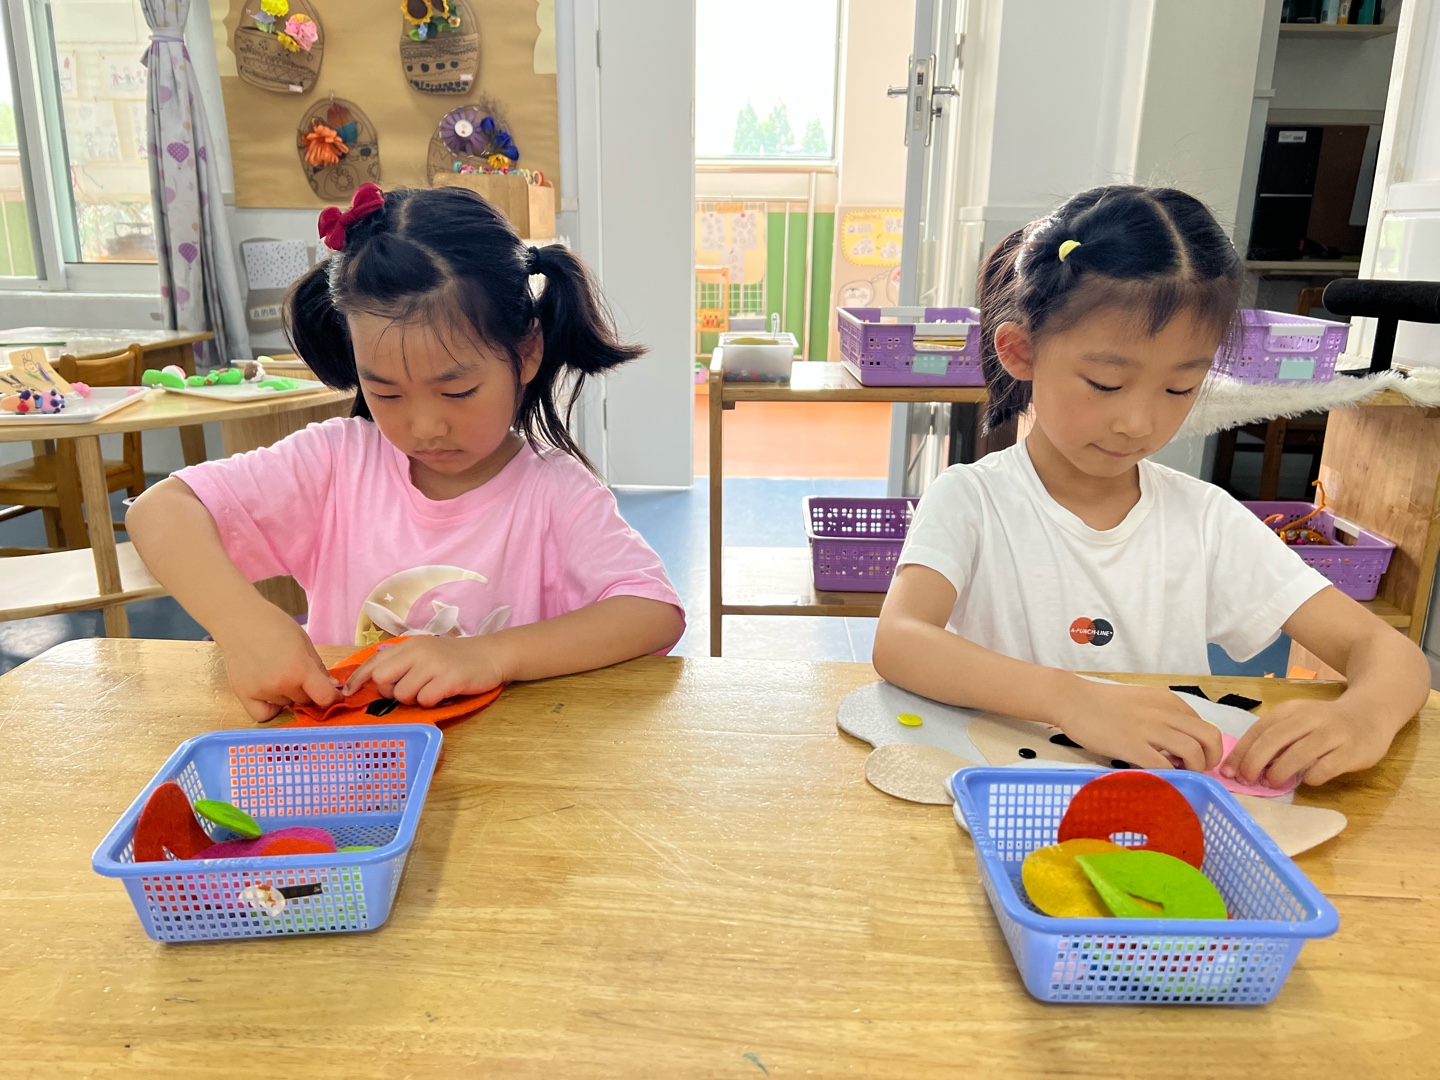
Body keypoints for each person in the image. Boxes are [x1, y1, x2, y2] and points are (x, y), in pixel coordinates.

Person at [872, 184, 1429, 787]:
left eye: (1179, 388)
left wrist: (1361, 717)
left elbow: (1389, 653)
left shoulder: (1205, 519)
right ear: (1020, 351)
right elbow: (901, 641)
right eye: (1106, 384)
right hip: (1003, 795)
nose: (1139, 423)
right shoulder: (972, 499)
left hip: (1161, 806)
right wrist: (1073, 698)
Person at [129, 183, 685, 721]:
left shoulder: (556, 492)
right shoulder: (335, 462)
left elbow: (652, 612)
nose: (425, 427)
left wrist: (492, 655)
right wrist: (243, 625)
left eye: (457, 391)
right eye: (386, 394)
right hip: (350, 759)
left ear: (527, 352)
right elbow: (161, 511)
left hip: (508, 764)